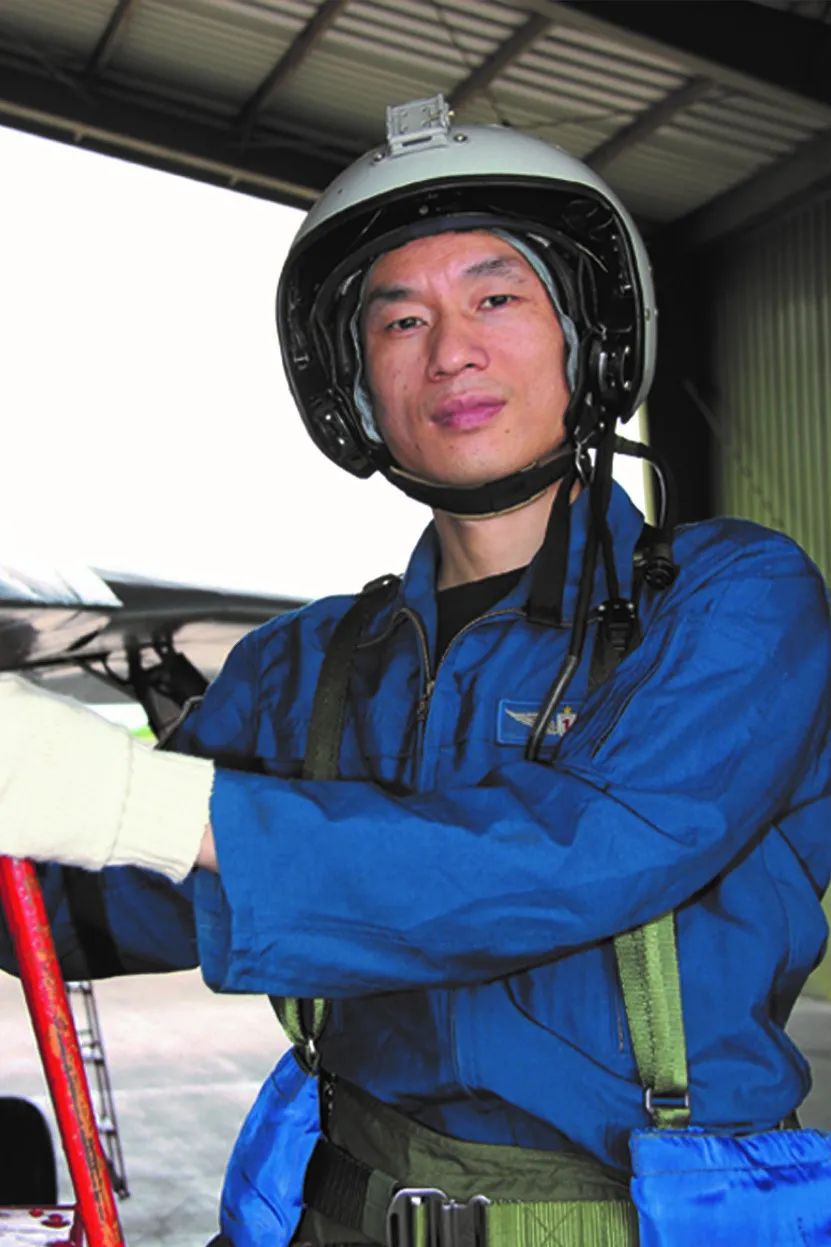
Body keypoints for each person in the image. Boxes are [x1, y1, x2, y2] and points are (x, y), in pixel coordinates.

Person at [1, 95, 830, 1247]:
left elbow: (588, 854)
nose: (451, 352)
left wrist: (140, 797)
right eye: (399, 320)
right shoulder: (298, 667)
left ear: (590, 335)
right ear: (353, 383)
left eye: (496, 298)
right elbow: (106, 906)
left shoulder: (732, 599)